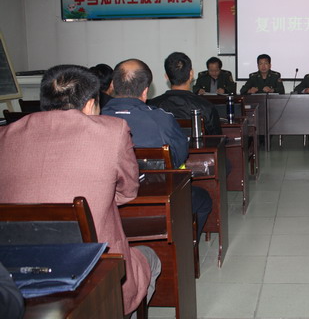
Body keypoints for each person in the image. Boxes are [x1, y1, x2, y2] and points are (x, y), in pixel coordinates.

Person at [0, 65, 160, 316]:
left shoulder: (5, 134)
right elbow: (128, 192)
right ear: (90, 104)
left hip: (14, 270)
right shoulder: (113, 130)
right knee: (150, 257)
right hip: (93, 264)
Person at [102, 59, 212, 241]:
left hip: (106, 205)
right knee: (203, 199)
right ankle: (187, 247)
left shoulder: (95, 117)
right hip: (158, 202)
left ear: (113, 85)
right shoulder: (161, 119)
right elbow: (179, 157)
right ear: (145, 91)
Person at [147, 52, 222, 135]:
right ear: (191, 74)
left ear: (166, 77)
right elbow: (216, 138)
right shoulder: (206, 107)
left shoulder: (151, 107)